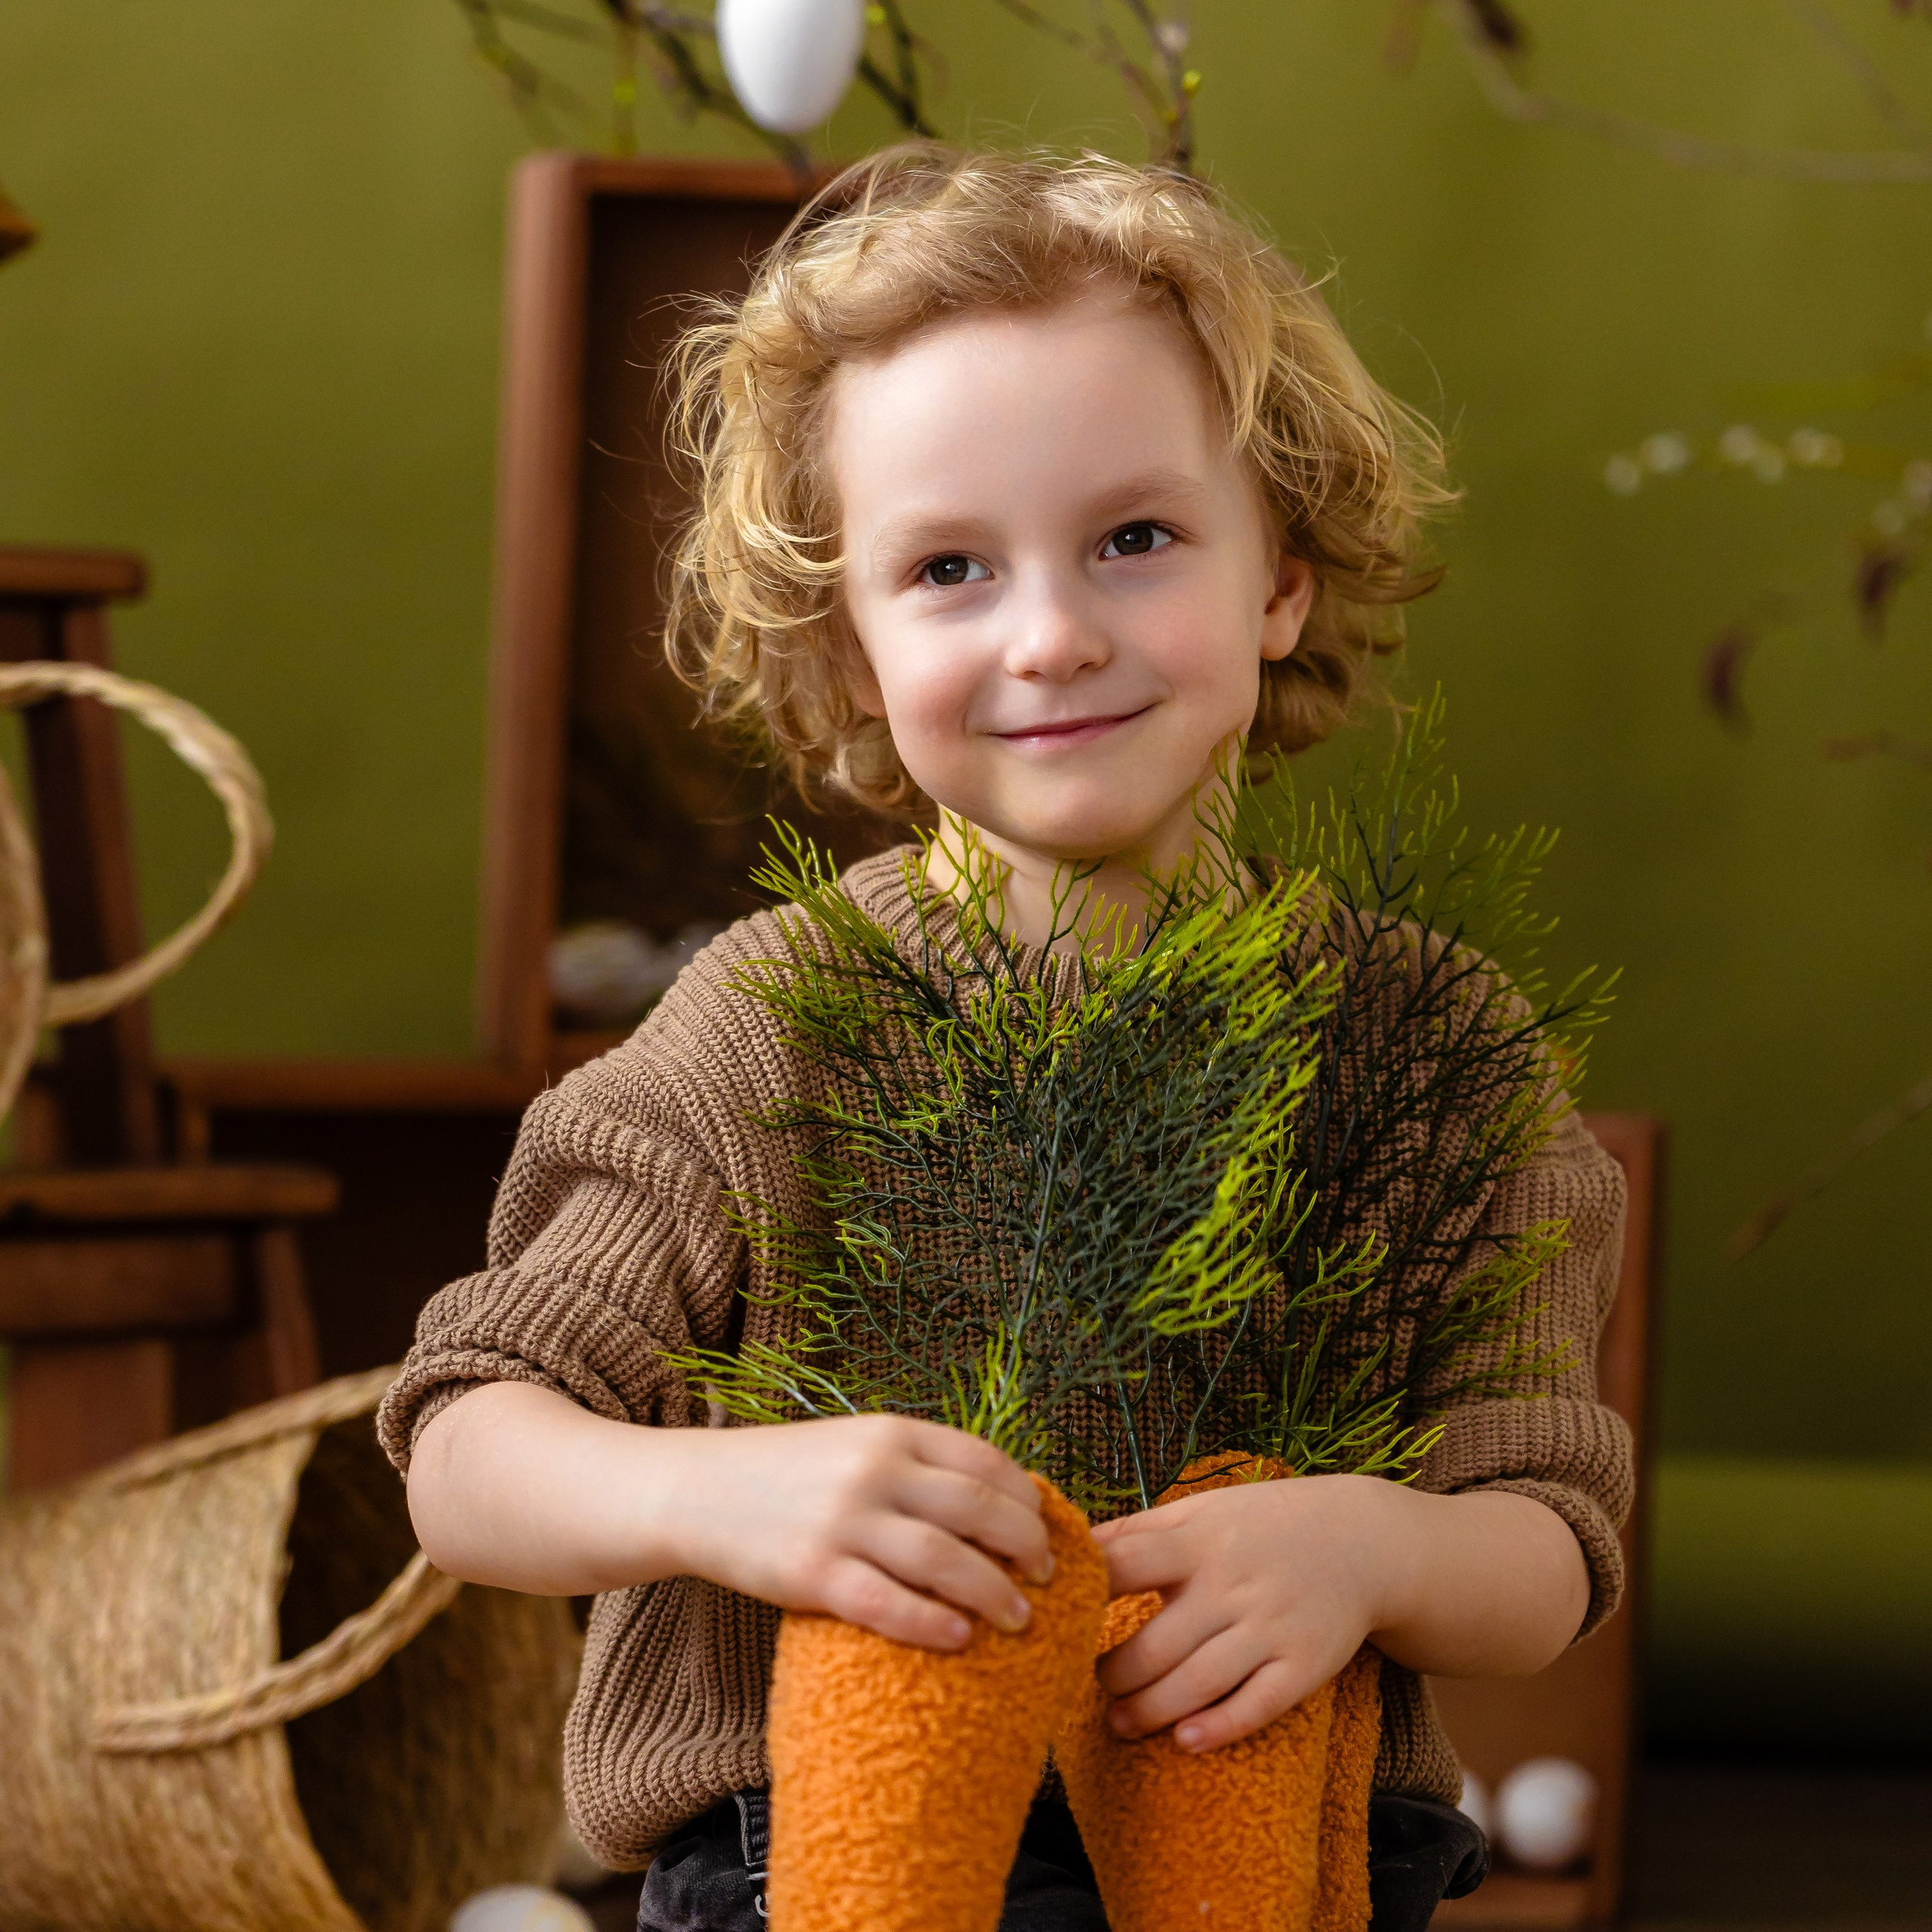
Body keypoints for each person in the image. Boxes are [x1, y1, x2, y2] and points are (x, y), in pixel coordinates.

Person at [380, 145, 1631, 1931]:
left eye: (1133, 538)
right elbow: (465, 1445)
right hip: (817, 1838)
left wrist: (1376, 1545)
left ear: (1276, 576)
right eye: (950, 567)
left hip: (1273, 1843)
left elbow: (1545, 1536)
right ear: (848, 645)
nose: (1049, 634)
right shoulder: (770, 1027)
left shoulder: (1426, 1047)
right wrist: (725, 1495)